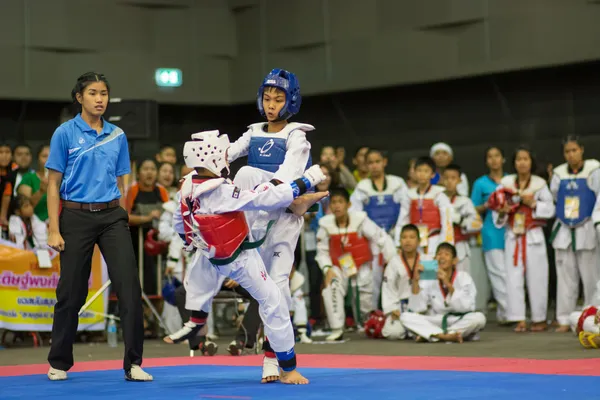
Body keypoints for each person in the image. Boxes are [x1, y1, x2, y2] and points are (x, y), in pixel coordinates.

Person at [165, 130, 327, 384]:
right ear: (213, 158)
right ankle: (289, 367)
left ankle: (196, 322)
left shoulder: (187, 185)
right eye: (223, 154)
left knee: (196, 289)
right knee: (273, 300)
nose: (227, 158)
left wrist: (189, 240)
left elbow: (178, 220)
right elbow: (264, 196)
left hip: (208, 257)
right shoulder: (221, 191)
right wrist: (306, 180)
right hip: (240, 257)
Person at [45, 72, 151, 382]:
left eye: (104, 93)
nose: (99, 98)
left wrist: (122, 213)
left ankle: (133, 363)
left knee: (130, 288)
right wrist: (54, 228)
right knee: (71, 292)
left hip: (111, 217)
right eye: (92, 93)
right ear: (79, 97)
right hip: (75, 217)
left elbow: (122, 179)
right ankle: (59, 362)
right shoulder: (64, 133)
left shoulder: (117, 135)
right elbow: (53, 185)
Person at [225, 68, 315, 381]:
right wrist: (203, 166)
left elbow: (290, 173)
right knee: (244, 175)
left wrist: (271, 194)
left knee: (279, 291)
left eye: (278, 98)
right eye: (267, 97)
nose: (271, 104)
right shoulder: (252, 132)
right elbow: (225, 155)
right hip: (258, 221)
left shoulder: (296, 136)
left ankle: (271, 360)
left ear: (290, 101)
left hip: (284, 219)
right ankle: (238, 249)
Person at [316, 188, 396, 341]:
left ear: (348, 204)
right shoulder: (325, 225)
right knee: (332, 285)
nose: (337, 206)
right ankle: (337, 328)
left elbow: (381, 237)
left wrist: (391, 260)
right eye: (334, 203)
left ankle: (367, 324)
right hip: (337, 267)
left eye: (340, 202)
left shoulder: (361, 220)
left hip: (362, 265)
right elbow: (322, 251)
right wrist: (327, 269)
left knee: (365, 301)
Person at [489, 146, 555, 333]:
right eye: (518, 159)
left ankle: (539, 318)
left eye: (526, 159)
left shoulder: (539, 184)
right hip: (513, 235)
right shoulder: (505, 184)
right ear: (514, 163)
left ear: (531, 162)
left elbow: (550, 210)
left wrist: (533, 203)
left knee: (538, 277)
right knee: (513, 277)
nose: (522, 163)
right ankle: (518, 318)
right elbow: (497, 213)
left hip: (533, 235)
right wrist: (503, 212)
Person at [550, 136, 600, 332]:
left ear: (582, 150)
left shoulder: (594, 170)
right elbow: (556, 197)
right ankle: (564, 318)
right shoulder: (558, 174)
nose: (571, 155)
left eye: (574, 150)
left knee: (590, 277)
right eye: (567, 151)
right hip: (564, 227)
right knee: (565, 277)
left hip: (587, 227)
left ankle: (591, 316)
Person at [350, 148, 409, 309]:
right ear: (366, 165)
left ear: (384, 162)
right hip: (373, 240)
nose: (374, 166)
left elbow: (405, 210)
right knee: (374, 278)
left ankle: (398, 309)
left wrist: (397, 235)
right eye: (370, 163)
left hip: (394, 236)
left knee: (397, 273)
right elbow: (356, 214)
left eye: (377, 162)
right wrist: (376, 234)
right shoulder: (362, 186)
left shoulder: (398, 183)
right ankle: (373, 313)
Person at [400, 242, 486, 343]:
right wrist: (415, 281)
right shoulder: (429, 279)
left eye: (446, 254)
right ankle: (447, 336)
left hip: (458, 319)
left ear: (454, 261)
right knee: (405, 317)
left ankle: (433, 334)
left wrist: (448, 284)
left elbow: (467, 307)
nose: (442, 257)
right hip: (437, 319)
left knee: (479, 318)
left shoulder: (463, 277)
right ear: (434, 258)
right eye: (439, 254)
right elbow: (417, 308)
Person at [470, 146, 508, 323]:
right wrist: (487, 205)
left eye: (497, 156)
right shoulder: (480, 183)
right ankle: (506, 311)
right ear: (486, 161)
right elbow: (473, 208)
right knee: (498, 273)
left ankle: (512, 311)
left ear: (503, 159)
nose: (494, 160)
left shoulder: (511, 181)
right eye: (490, 157)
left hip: (511, 230)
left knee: (512, 274)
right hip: (491, 232)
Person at [394, 156, 454, 256]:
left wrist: (445, 245)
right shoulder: (409, 195)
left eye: (426, 171)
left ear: (432, 174)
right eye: (419, 171)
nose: (422, 174)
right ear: (414, 173)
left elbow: (447, 221)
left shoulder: (439, 194)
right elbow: (402, 220)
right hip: (415, 241)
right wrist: (399, 243)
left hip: (435, 238)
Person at [380, 224, 422, 340]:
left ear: (419, 241)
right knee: (393, 333)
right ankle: (408, 329)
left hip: (421, 308)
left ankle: (412, 329)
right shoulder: (394, 262)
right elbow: (388, 287)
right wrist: (392, 309)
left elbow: (432, 288)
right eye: (404, 237)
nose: (407, 241)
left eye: (412, 237)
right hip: (400, 307)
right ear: (399, 241)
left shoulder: (426, 261)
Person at [443, 164, 482, 273]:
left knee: (462, 282)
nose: (449, 181)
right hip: (441, 246)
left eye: (453, 178)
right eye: (446, 178)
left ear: (459, 180)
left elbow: (478, 224)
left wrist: (461, 221)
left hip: (460, 246)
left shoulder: (465, 201)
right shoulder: (437, 200)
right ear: (442, 180)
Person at [17, 144, 50, 222]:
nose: (49, 160)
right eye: (44, 156)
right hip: (35, 225)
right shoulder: (28, 178)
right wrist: (41, 191)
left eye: (52, 156)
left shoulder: (63, 178)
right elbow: (24, 208)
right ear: (37, 158)